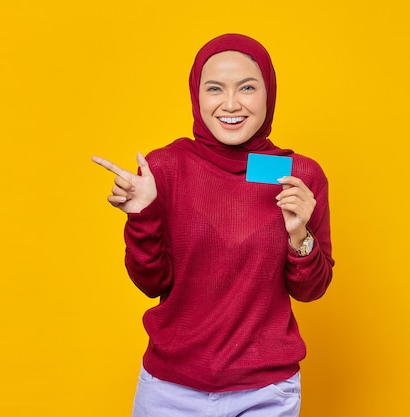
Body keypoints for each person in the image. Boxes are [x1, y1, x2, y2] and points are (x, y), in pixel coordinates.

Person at [91, 33, 334, 417]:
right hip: (170, 390)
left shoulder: (298, 175)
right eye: (215, 88)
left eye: (248, 87)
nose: (231, 104)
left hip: (266, 391)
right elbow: (150, 283)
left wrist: (298, 233)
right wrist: (143, 216)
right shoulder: (165, 169)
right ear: (196, 95)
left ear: (268, 93)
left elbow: (311, 290)